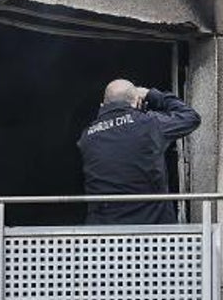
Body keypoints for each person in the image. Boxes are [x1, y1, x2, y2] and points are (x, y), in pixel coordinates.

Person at [77, 78, 201, 225]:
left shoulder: (87, 137)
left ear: (102, 105)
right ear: (137, 102)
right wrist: (151, 94)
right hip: (153, 233)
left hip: (104, 235)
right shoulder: (150, 124)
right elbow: (191, 117)